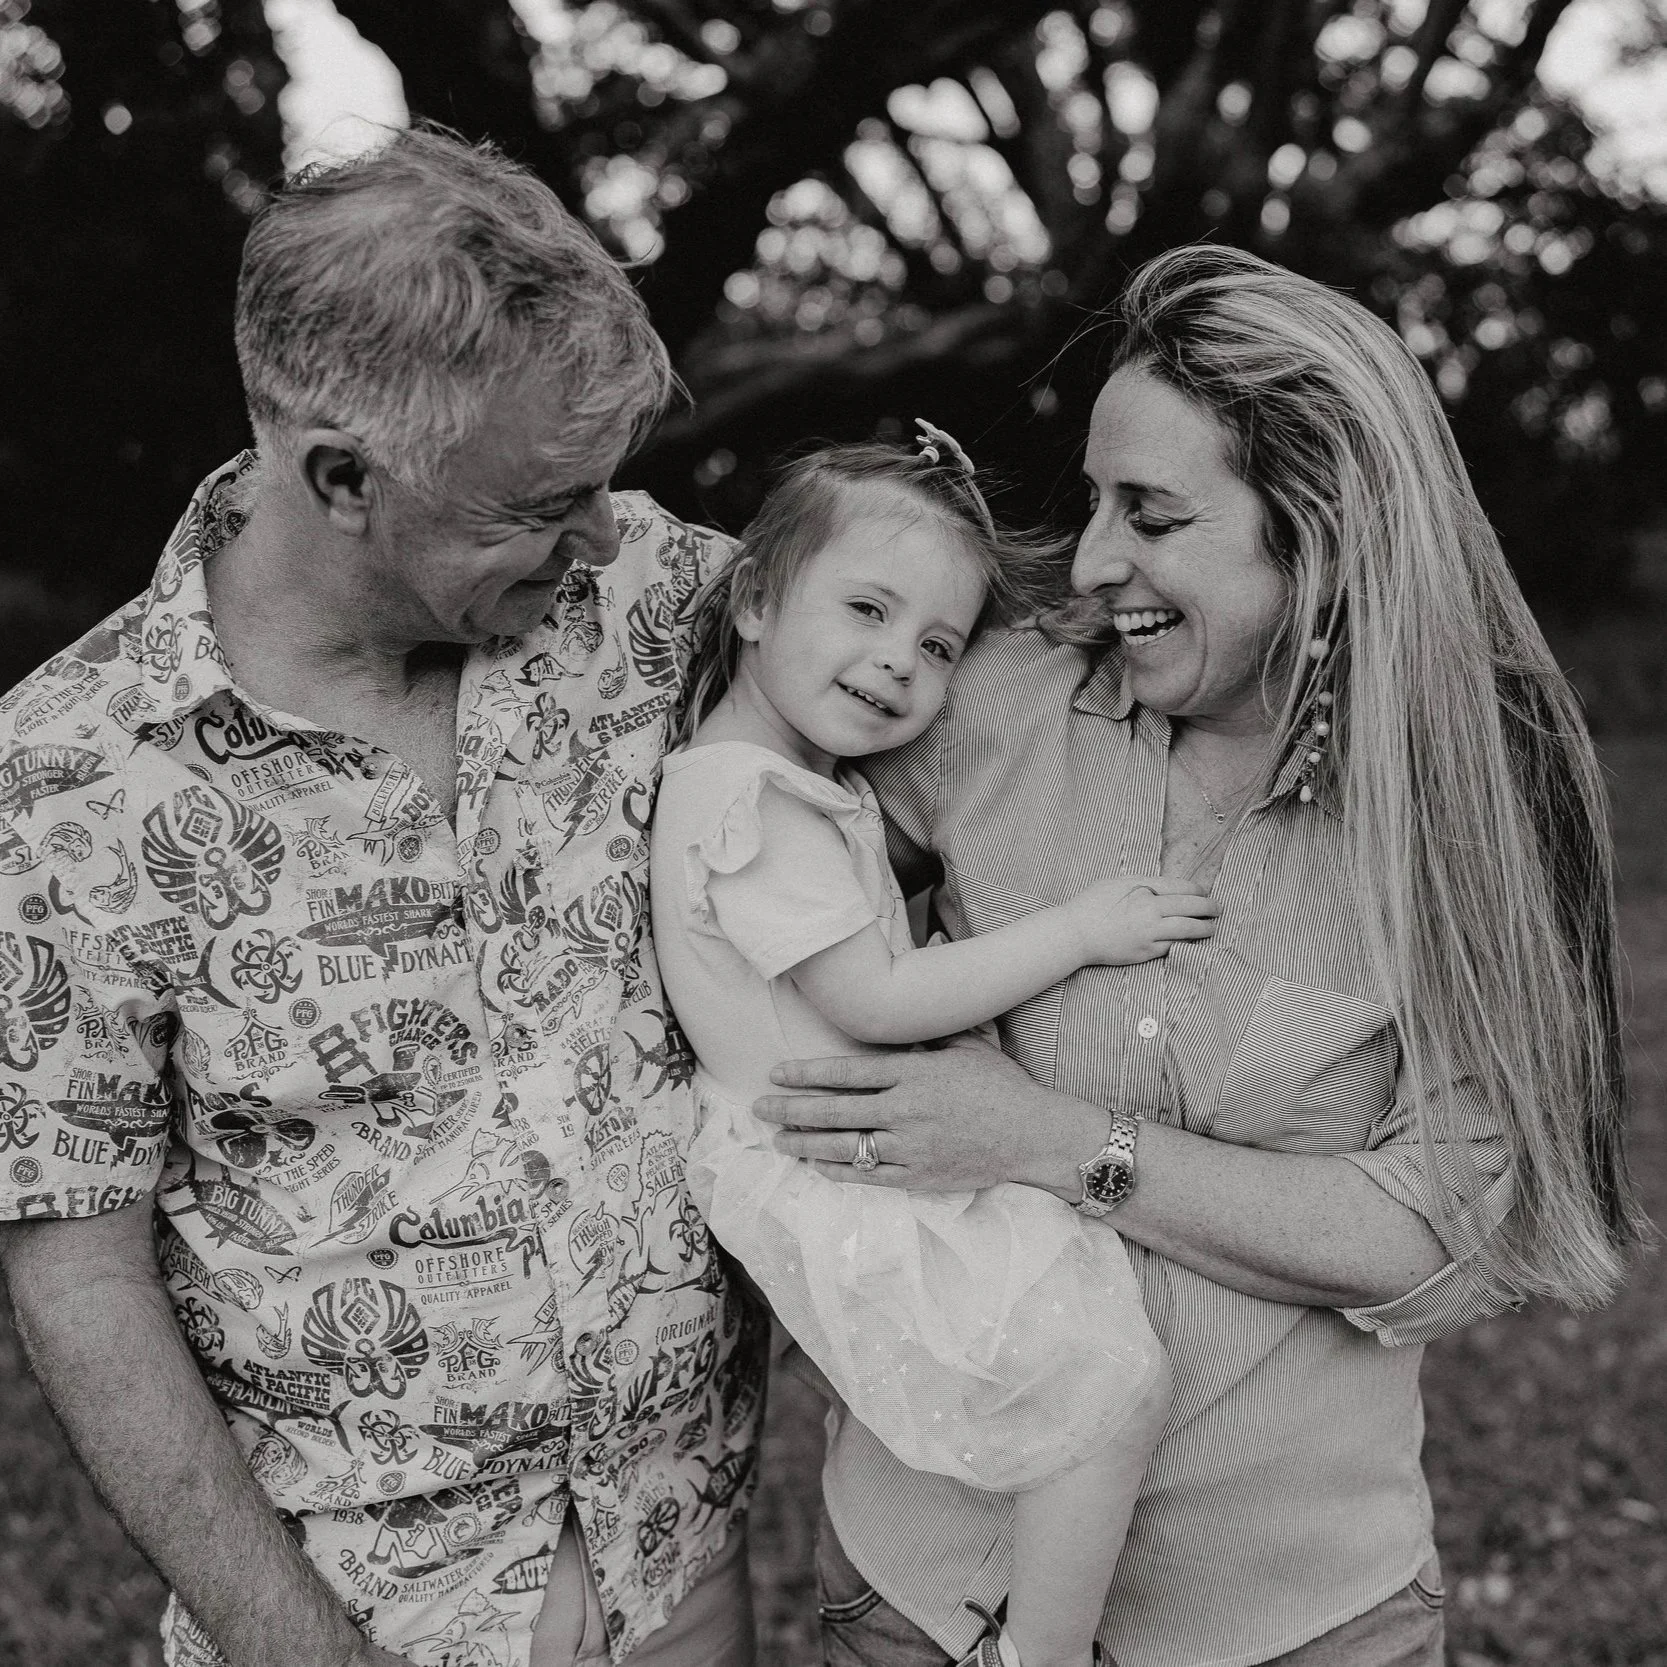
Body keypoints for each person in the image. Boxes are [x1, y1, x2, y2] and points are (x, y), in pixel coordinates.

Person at [753, 246, 1644, 1667]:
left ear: (1323, 533)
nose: (1095, 559)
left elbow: (1438, 1230)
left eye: (1152, 515)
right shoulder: (986, 701)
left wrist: (1049, 1138)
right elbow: (758, 804)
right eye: (1096, 500)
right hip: (929, 1588)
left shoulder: (1466, 810)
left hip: (1286, 1615)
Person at [0, 128, 766, 1667]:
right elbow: (77, 1269)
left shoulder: (660, 606)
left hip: (680, 1548)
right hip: (364, 1610)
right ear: (344, 474)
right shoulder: (67, 774)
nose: (606, 535)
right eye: (545, 501)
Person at [651, 434, 1211, 1667]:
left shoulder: (783, 778)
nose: (897, 659)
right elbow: (875, 994)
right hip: (848, 1164)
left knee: (1097, 1374)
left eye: (937, 643)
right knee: (1107, 1390)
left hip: (850, 1150)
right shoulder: (748, 798)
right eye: (865, 608)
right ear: (751, 600)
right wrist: (1079, 928)